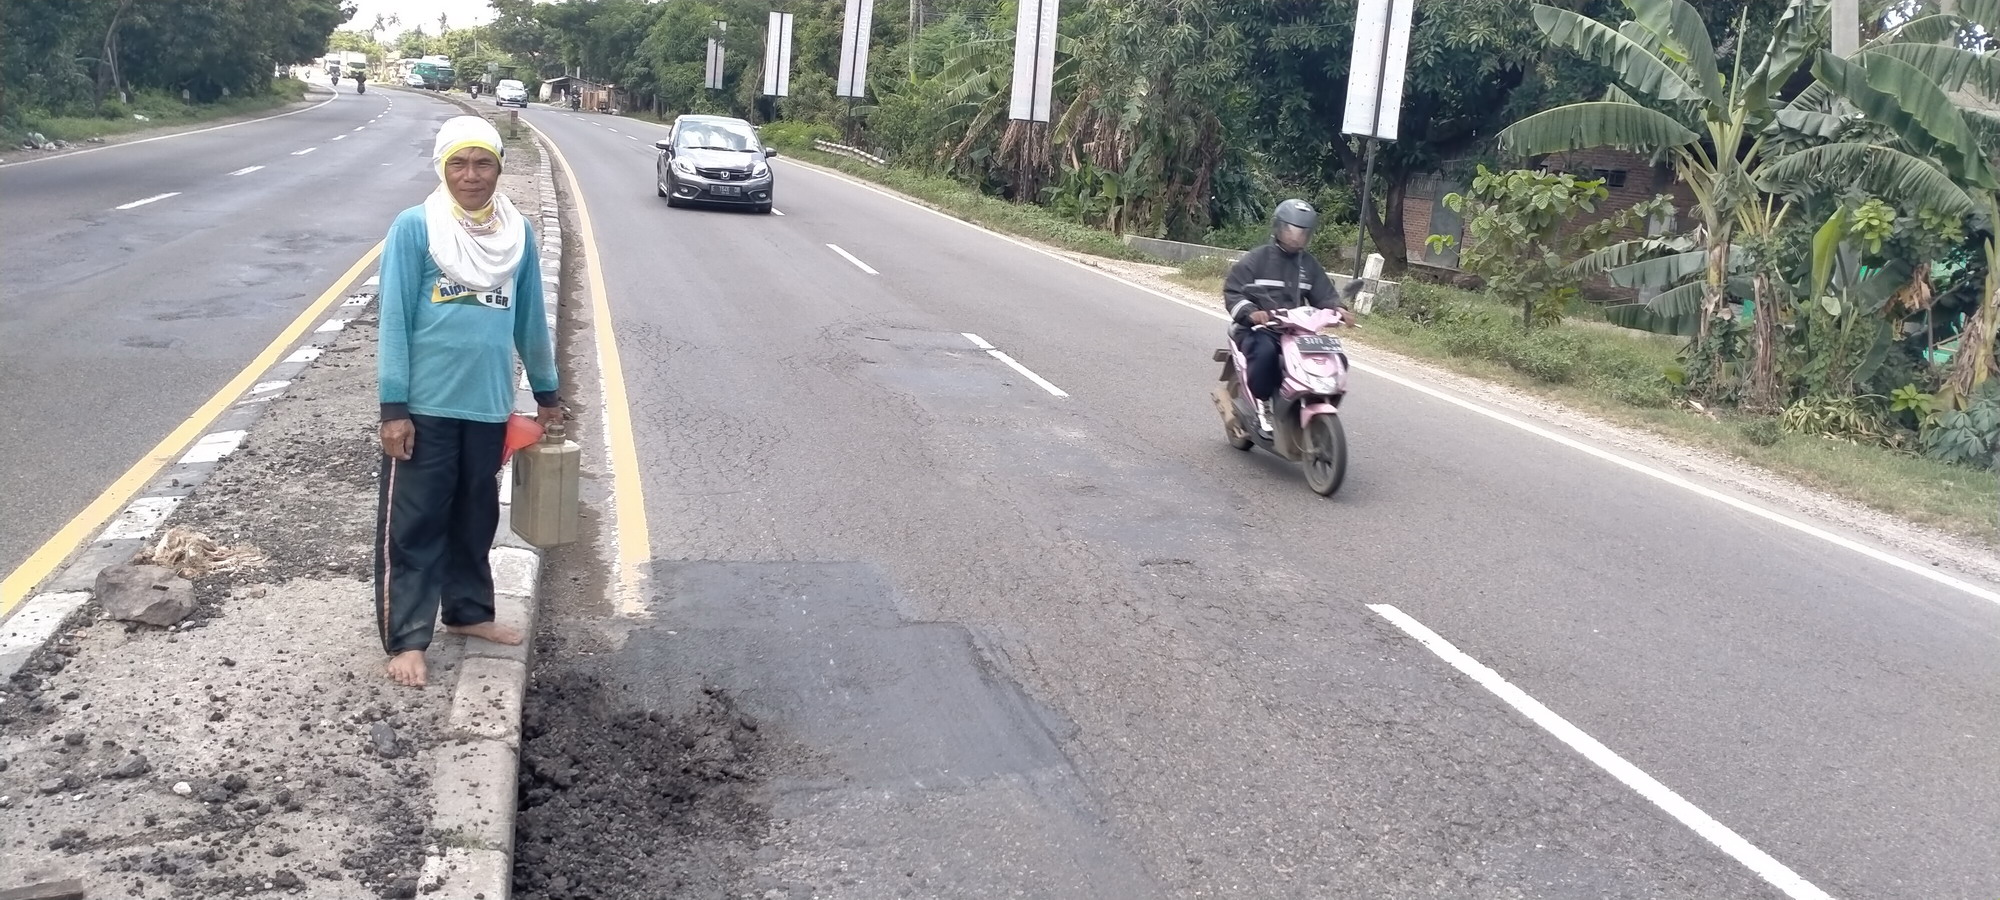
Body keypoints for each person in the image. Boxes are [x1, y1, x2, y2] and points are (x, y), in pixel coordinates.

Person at [375, 116, 561, 687]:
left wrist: (547, 393)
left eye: (483, 163)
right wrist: (393, 409)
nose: (471, 176)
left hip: (487, 404)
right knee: (418, 521)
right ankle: (407, 639)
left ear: (500, 167)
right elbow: (395, 322)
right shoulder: (415, 228)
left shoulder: (518, 235)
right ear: (441, 167)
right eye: (459, 163)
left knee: (476, 515)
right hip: (426, 405)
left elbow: (529, 320)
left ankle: (468, 614)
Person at [1221, 199, 1344, 435]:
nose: (1297, 237)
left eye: (1303, 232)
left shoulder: (1309, 265)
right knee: (1266, 353)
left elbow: (1324, 294)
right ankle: (1263, 403)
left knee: (1335, 358)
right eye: (1292, 230)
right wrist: (1251, 312)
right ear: (1279, 228)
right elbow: (1233, 292)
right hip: (1259, 330)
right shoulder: (1257, 259)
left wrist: (1338, 309)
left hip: (1296, 332)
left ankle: (1315, 399)